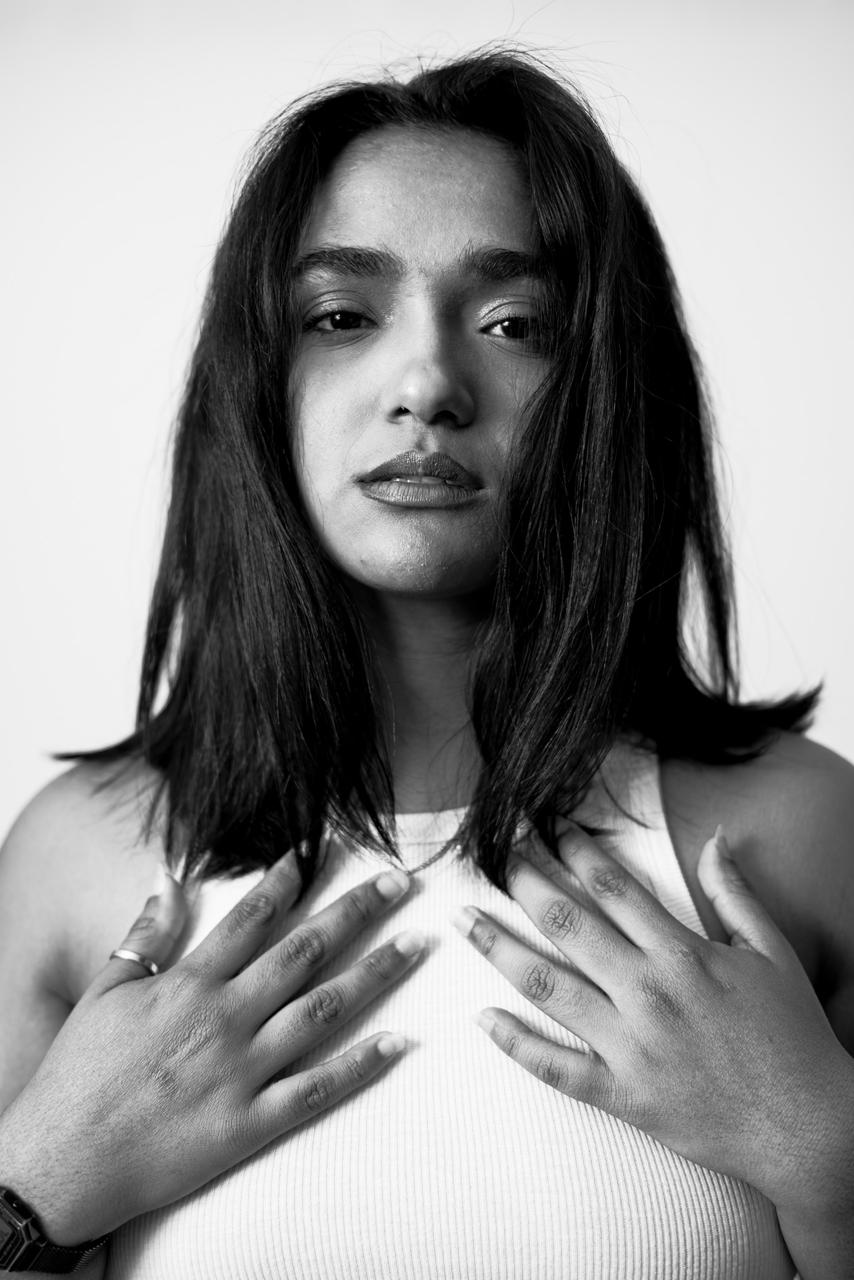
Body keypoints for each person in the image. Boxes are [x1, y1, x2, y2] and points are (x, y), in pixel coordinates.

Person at [0, 48, 852, 1280]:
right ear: (257, 375)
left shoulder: (800, 835)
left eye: (513, 324)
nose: (427, 385)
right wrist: (33, 1190)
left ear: (607, 380)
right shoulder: (80, 861)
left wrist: (827, 1157)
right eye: (340, 316)